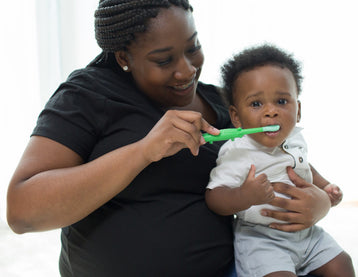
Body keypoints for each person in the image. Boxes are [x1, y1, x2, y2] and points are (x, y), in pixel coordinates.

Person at [6, 1, 332, 276]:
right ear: (123, 57)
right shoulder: (87, 95)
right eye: (164, 60)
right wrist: (144, 151)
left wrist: (318, 205)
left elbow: (282, 166)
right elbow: (22, 212)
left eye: (193, 48)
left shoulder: (222, 105)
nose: (187, 70)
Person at [205, 44, 355, 277]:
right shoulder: (237, 152)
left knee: (342, 264)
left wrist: (325, 187)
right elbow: (214, 196)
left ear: (298, 110)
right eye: (256, 104)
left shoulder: (295, 138)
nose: (271, 112)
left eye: (282, 102)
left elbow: (303, 165)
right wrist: (245, 196)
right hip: (262, 239)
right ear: (236, 117)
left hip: (307, 234)